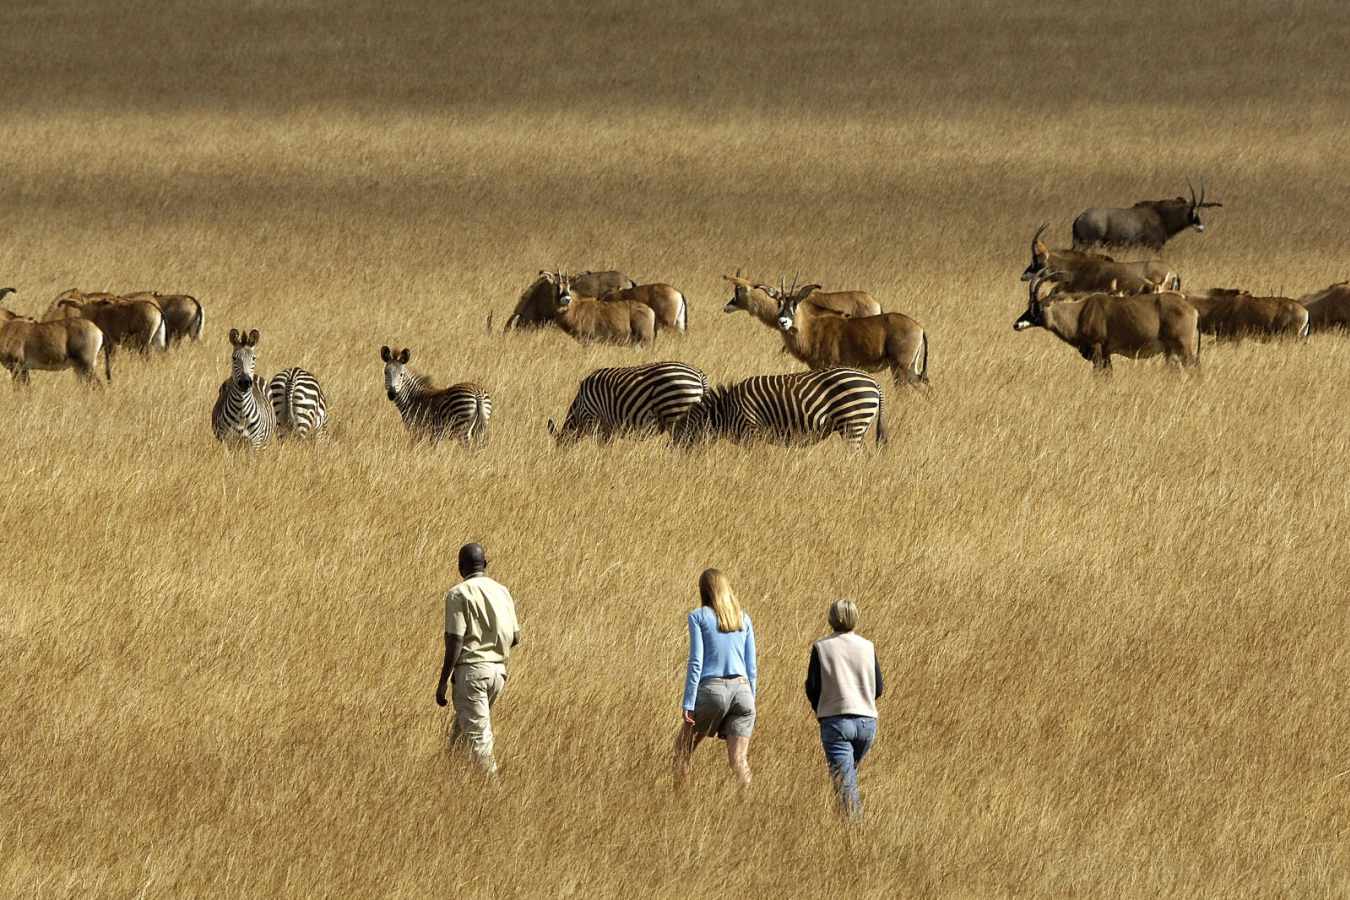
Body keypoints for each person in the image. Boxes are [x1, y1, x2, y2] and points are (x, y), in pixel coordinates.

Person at [434, 542, 520, 775]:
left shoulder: (458, 594)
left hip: (471, 674)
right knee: (459, 740)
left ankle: (492, 789)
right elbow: (515, 637)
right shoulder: (502, 591)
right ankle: (450, 783)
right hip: (498, 673)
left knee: (480, 742)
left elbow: (455, 640)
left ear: (460, 567)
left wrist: (443, 681)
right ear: (485, 564)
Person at [674, 568, 757, 787]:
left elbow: (696, 662)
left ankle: (680, 802)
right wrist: (752, 700)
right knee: (739, 761)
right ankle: (750, 803)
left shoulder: (698, 616)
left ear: (704, 590)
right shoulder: (743, 619)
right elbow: (751, 667)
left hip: (713, 689)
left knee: (682, 751)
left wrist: (688, 703)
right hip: (744, 692)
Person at [804, 599, 883, 819]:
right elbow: (879, 688)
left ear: (831, 618)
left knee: (846, 786)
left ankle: (854, 830)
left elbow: (812, 687)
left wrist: (821, 710)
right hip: (867, 724)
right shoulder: (868, 646)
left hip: (836, 722)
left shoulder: (821, 647)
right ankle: (843, 824)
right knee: (848, 778)